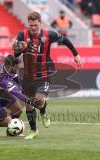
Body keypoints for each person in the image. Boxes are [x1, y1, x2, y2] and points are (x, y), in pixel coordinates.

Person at [12, 11, 82, 139]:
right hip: (27, 76)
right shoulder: (22, 34)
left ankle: (43, 112)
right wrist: (20, 48)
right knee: (29, 104)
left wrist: (76, 55)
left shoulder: (48, 35)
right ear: (28, 24)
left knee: (38, 101)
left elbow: (65, 40)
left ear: (40, 23)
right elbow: (15, 54)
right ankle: (34, 131)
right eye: (31, 25)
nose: (33, 27)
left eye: (35, 25)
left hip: (43, 73)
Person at [0, 55, 43, 135]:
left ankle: (4, 126)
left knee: (18, 110)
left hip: (1, 92)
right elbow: (16, 92)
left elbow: (19, 80)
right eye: (16, 66)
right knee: (9, 123)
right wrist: (30, 101)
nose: (18, 68)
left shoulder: (8, 69)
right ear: (10, 66)